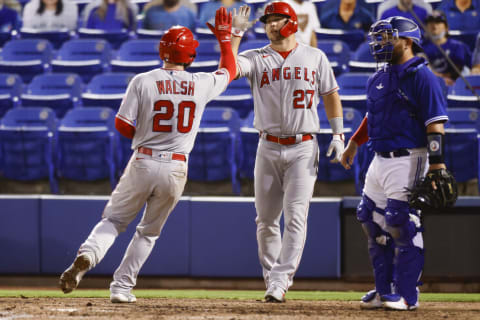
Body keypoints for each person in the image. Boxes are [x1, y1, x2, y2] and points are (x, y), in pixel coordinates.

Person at [59, 7, 237, 303]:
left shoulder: (142, 80)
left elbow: (122, 124)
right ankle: (121, 287)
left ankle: (88, 255)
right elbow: (230, 70)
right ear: (190, 55)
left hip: (143, 159)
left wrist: (145, 135)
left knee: (114, 221)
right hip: (177, 167)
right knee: (148, 233)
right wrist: (225, 39)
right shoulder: (202, 83)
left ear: (162, 51)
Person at [230, 2, 345, 302]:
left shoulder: (314, 56)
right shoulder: (255, 57)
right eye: (267, 20)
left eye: (277, 19)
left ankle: (280, 281)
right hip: (267, 145)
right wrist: (234, 36)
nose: (270, 25)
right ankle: (271, 278)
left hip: (304, 146)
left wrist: (338, 133)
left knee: (295, 217)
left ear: (291, 22)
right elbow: (228, 70)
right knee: (265, 219)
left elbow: (331, 94)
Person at [340, 16, 450, 310]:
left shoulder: (423, 76)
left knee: (401, 223)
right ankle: (383, 290)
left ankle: (407, 295)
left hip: (409, 156)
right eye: (379, 38)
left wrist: (437, 166)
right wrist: (353, 143)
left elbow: (435, 124)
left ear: (408, 40)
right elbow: (373, 115)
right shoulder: (378, 76)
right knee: (370, 219)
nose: (381, 43)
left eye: (388, 37)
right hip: (379, 157)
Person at [422, 10, 472, 86]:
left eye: (438, 21)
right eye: (431, 22)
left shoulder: (458, 47)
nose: (434, 25)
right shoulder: (420, 48)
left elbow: (464, 70)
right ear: (426, 27)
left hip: (456, 87)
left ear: (446, 27)